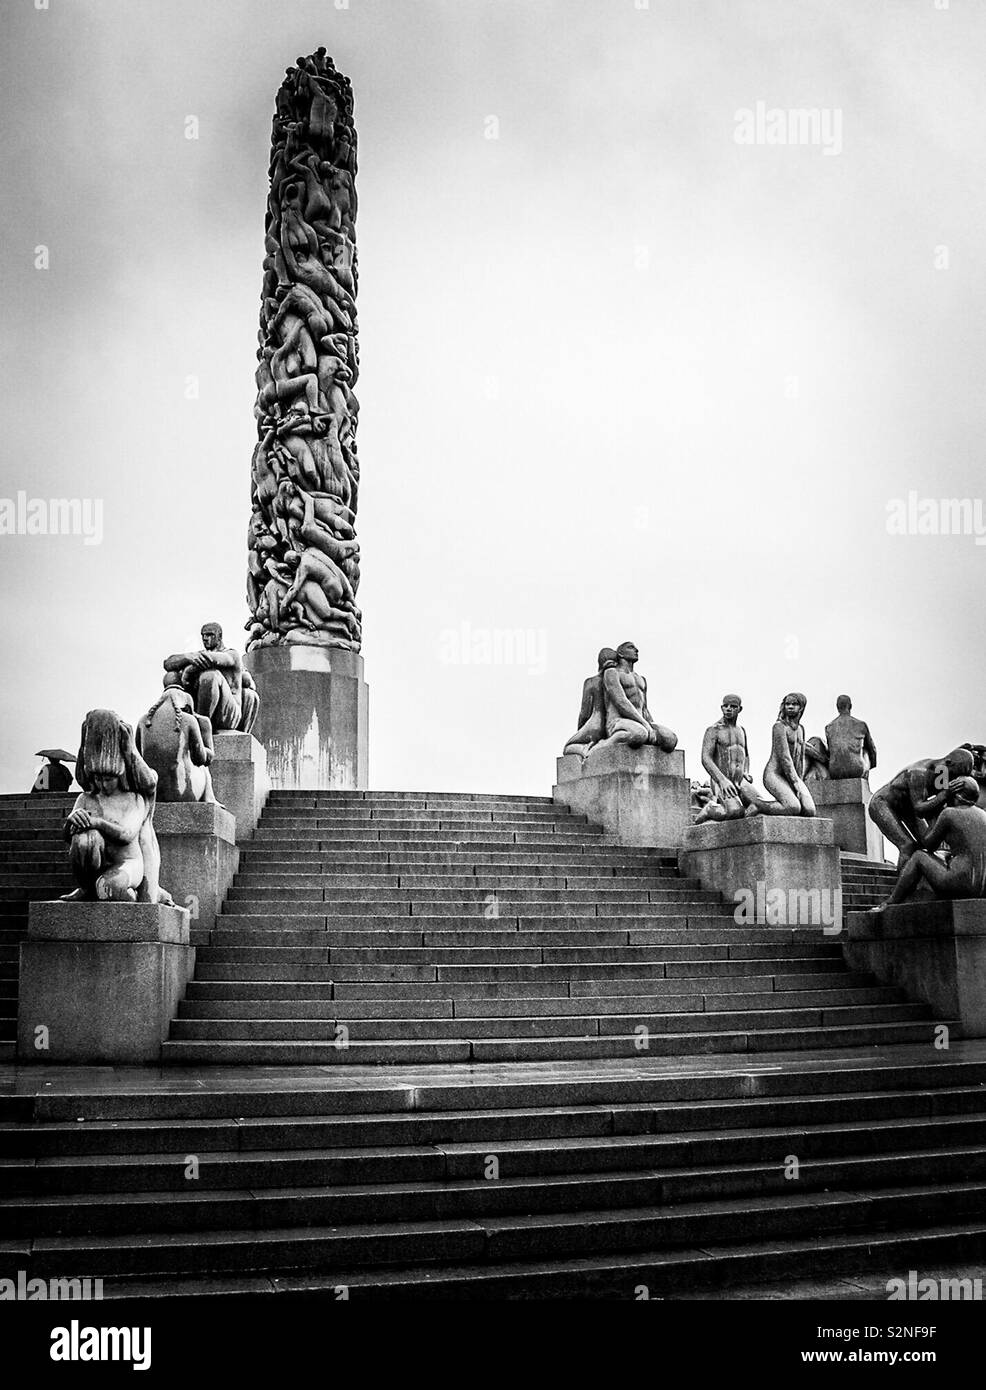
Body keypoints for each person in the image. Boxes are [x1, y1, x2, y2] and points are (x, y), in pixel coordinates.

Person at [872, 777, 986, 909]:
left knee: (919, 857)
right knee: (943, 857)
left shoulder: (949, 813)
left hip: (960, 884)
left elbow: (928, 844)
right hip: (983, 887)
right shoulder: (983, 815)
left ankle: (891, 902)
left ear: (955, 793)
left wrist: (918, 817)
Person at [869, 747, 976, 854]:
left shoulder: (943, 773)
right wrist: (945, 794)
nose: (952, 779)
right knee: (907, 846)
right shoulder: (919, 773)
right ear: (948, 762)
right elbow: (919, 809)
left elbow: (939, 805)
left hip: (908, 806)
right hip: (883, 804)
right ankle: (904, 870)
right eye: (954, 775)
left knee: (928, 844)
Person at [163, 622, 259, 735]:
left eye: (209, 635)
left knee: (210, 676)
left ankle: (201, 729)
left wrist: (189, 670)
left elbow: (218, 659)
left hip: (228, 715)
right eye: (203, 635)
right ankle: (175, 723)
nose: (205, 638)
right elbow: (168, 663)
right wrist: (188, 658)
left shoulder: (232, 654)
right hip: (200, 708)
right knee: (171, 676)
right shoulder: (198, 656)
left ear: (219, 636)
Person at [695, 694, 760, 822]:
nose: (728, 709)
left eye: (733, 706)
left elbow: (745, 754)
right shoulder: (714, 730)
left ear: (739, 709)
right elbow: (706, 759)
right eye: (726, 706)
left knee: (762, 805)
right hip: (721, 779)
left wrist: (746, 771)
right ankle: (710, 809)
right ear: (721, 707)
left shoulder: (741, 730)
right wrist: (722, 781)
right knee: (735, 812)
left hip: (740, 780)